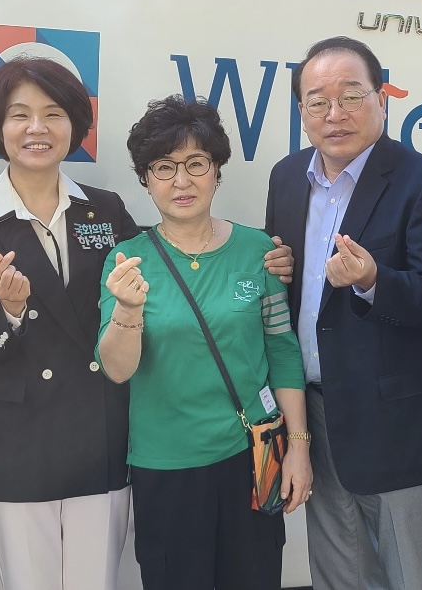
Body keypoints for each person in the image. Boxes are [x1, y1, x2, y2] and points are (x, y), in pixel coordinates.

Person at [0, 59, 296, 589]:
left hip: (98, 434)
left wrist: (269, 261)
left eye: (53, 113)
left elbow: (167, 264)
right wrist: (10, 310)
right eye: (20, 114)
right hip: (21, 440)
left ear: (74, 127)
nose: (37, 128)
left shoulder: (104, 210)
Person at [264, 36, 422, 590]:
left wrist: (374, 280)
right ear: (301, 111)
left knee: (416, 576)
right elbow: (292, 286)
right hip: (316, 418)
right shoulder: (287, 176)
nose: (335, 114)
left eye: (351, 96)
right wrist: (278, 265)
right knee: (338, 577)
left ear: (382, 99)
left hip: (396, 425)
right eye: (318, 101)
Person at [97, 95, 311, 590]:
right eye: (164, 167)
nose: (181, 180)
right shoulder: (127, 261)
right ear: (146, 179)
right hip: (165, 465)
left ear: (217, 171)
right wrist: (128, 309)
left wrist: (298, 447)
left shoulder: (259, 250)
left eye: (196, 163)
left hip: (252, 457)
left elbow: (282, 352)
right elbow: (116, 369)